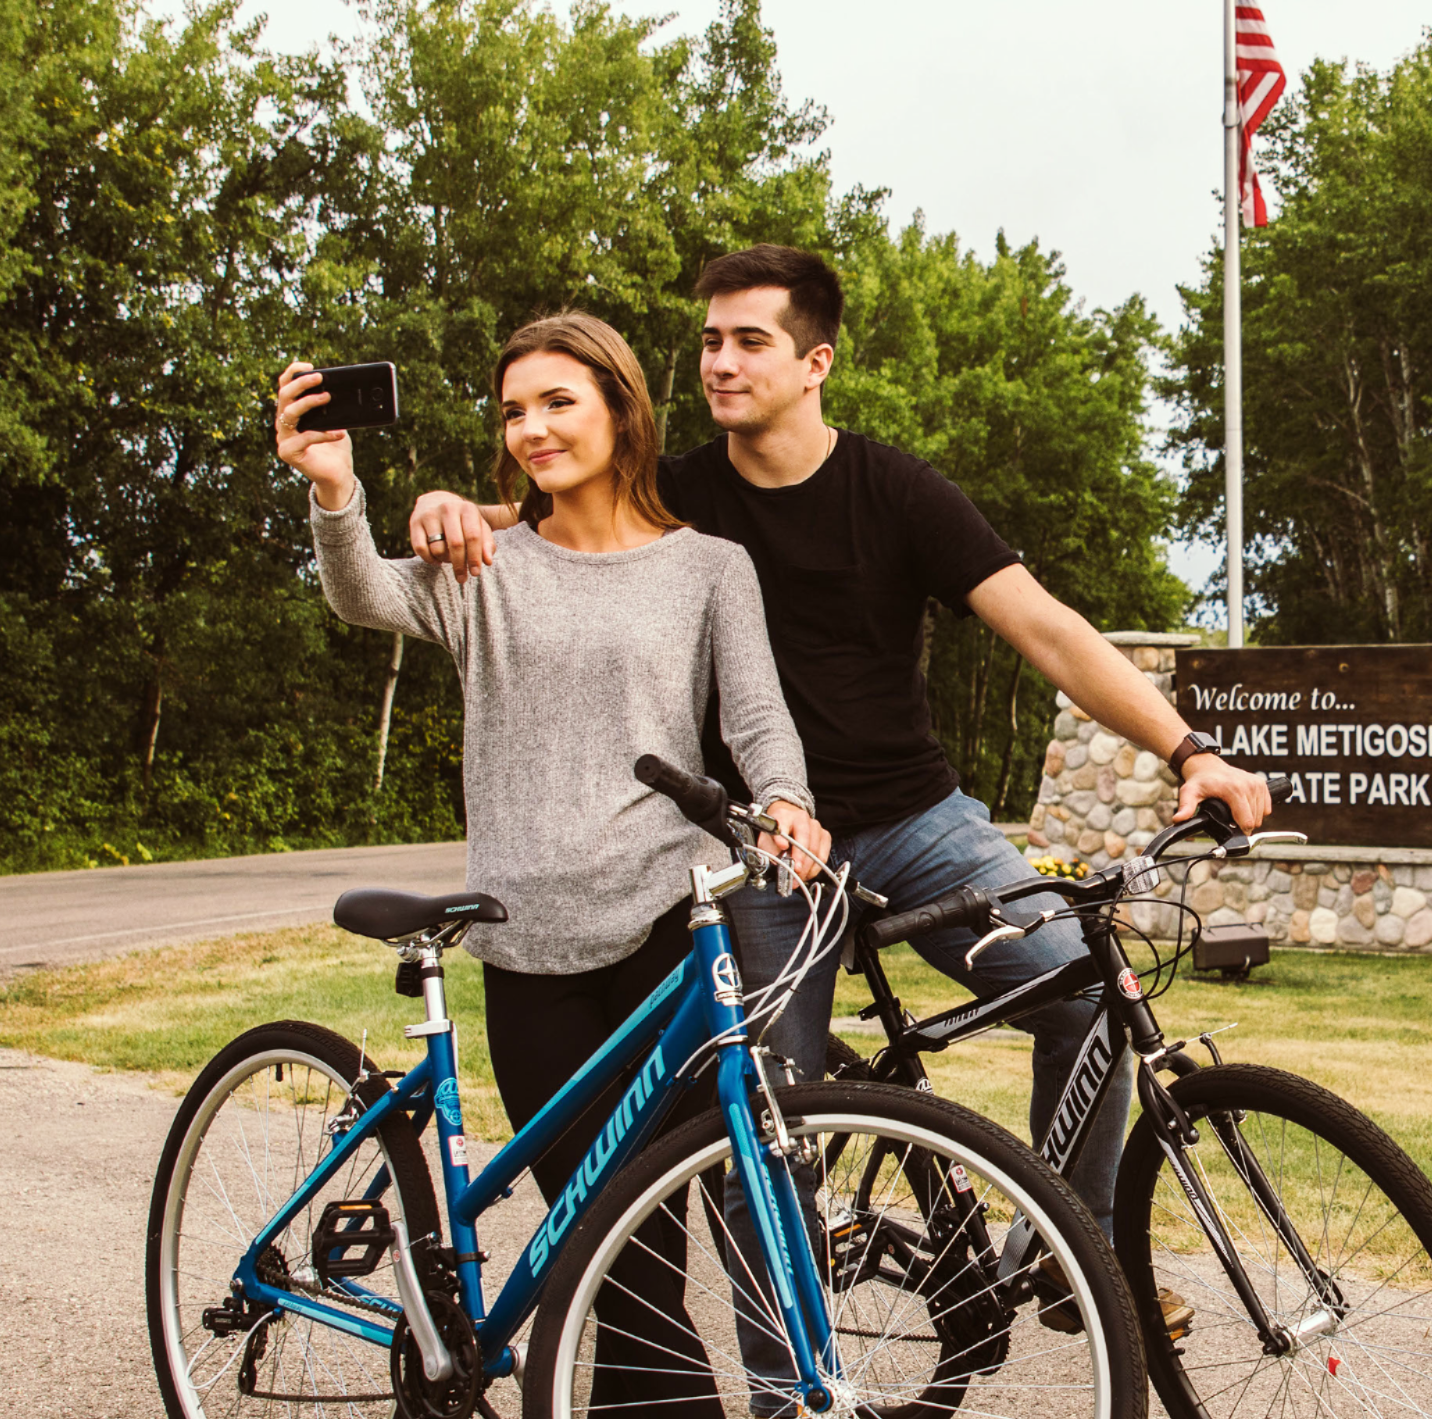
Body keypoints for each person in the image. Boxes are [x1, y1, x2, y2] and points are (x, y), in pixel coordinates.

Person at [405, 247, 1273, 1272]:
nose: (720, 363)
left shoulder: (896, 489)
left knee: (1085, 990)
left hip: (920, 821)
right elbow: (543, 538)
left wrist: (1190, 746)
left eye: (750, 341)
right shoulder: (676, 496)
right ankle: (786, 1407)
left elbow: (1047, 630)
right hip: (766, 853)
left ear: (816, 360)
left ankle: (1061, 1252)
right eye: (710, 341)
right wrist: (452, 508)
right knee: (767, 1125)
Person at [275, 312, 826, 1419]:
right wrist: (341, 492)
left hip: (662, 930)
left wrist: (787, 802)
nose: (532, 429)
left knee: (644, 1227)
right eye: (514, 411)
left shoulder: (708, 567)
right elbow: (363, 596)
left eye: (557, 404)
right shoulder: (483, 557)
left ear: (619, 414)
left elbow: (755, 718)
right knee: (607, 1231)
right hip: (525, 940)